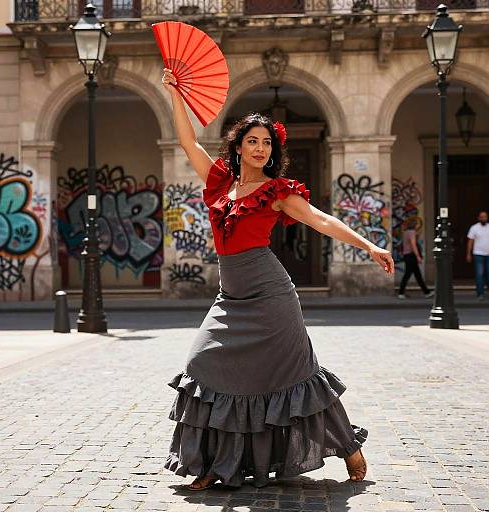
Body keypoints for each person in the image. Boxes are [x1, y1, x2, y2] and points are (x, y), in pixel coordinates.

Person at [161, 68, 395, 491]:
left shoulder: (278, 191)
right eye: (252, 140)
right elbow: (187, 141)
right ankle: (214, 462)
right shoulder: (218, 183)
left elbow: (321, 220)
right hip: (230, 295)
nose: (260, 147)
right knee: (204, 364)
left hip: (271, 294)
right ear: (238, 146)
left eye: (267, 142)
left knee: (296, 376)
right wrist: (176, 93)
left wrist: (369, 246)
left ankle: (347, 446)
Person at [397, 218, 433, 299]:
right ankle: (401, 293)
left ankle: (426, 292)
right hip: (411, 255)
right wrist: (418, 256)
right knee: (408, 274)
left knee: (417, 275)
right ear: (414, 225)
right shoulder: (412, 232)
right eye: (417, 224)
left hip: (407, 255)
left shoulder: (405, 232)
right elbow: (413, 245)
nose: (419, 226)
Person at [467, 210, 489, 300]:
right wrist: (468, 253)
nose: (484, 218)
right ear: (479, 218)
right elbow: (470, 241)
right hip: (478, 254)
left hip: (488, 254)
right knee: (479, 273)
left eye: (485, 217)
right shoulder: (474, 228)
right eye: (482, 217)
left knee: (488, 274)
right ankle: (480, 293)